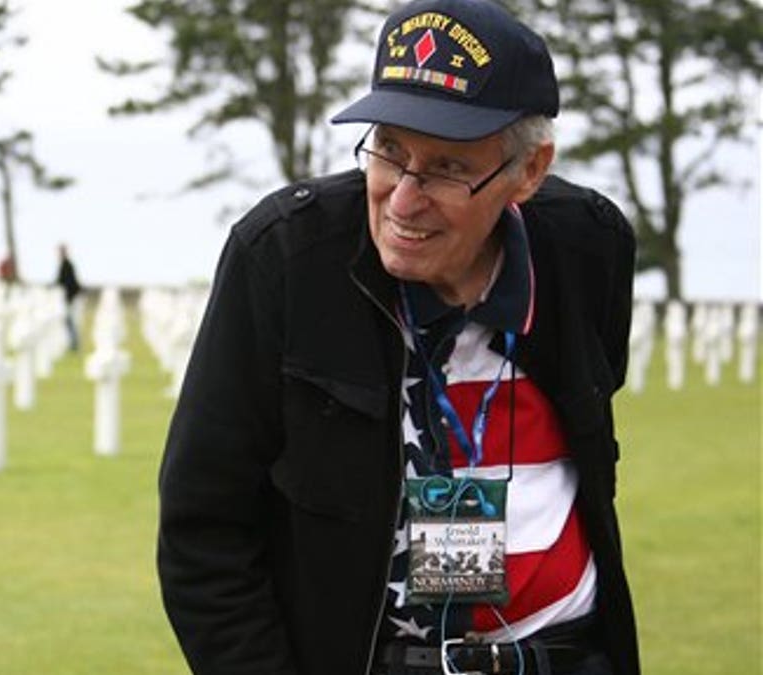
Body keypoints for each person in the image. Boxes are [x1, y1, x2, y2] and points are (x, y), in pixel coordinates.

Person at [156, 1, 639, 674]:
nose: (404, 199)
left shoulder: (590, 246)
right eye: (388, 149)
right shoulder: (285, 261)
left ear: (528, 172)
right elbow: (204, 531)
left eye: (445, 167)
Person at [56, 244, 83, 351]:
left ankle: (74, 344)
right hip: (68, 298)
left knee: (70, 321)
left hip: (69, 298)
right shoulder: (65, 264)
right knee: (68, 322)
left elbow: (66, 283)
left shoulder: (67, 265)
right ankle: (73, 344)